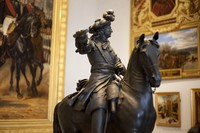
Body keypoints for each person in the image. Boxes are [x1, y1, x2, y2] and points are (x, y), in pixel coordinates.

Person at [71, 10, 126, 133]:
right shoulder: (92, 44)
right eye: (109, 29)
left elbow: (118, 62)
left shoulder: (109, 47)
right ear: (102, 30)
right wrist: (81, 38)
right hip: (98, 79)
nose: (111, 31)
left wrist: (121, 66)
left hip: (112, 79)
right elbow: (83, 48)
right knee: (99, 101)